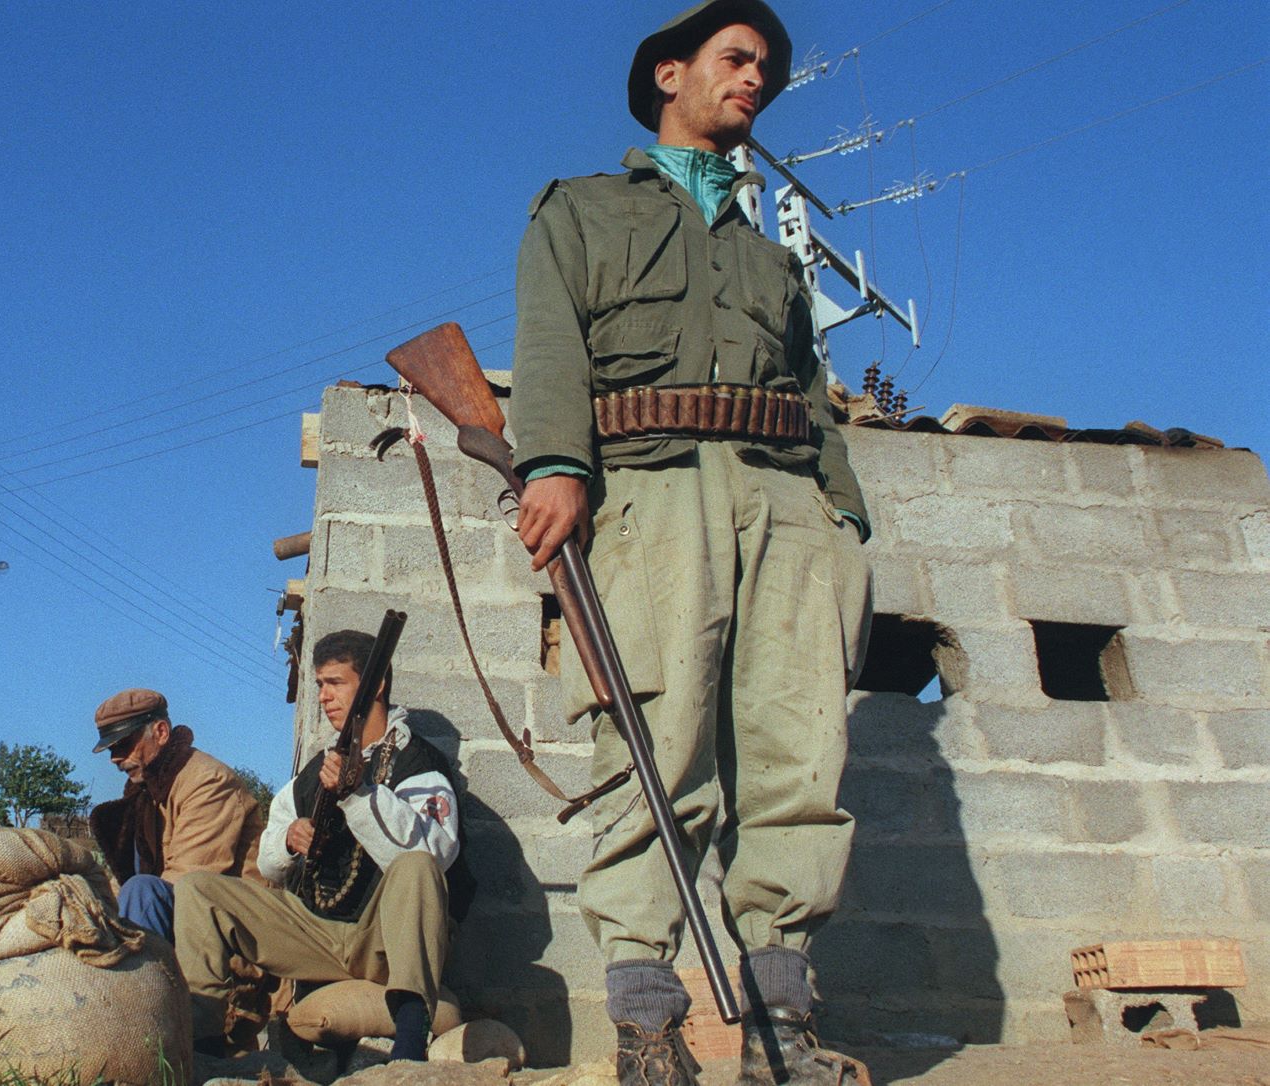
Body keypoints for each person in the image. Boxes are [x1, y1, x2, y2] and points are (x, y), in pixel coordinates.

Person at [509, 2, 873, 1084]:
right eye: (735, 58)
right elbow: (550, 341)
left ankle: (783, 1027)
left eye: (766, 68)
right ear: (670, 74)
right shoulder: (581, 209)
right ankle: (645, 1026)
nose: (755, 78)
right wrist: (555, 464)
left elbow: (811, 395)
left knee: (797, 753)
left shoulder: (770, 260)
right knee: (652, 748)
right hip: (651, 494)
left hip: (785, 502)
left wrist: (843, 516)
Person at [175, 629, 463, 1063]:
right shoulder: (314, 771)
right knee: (198, 890)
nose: (324, 697)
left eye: (336, 683)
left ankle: (409, 1044)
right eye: (320, 684)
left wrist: (359, 795)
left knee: (416, 866)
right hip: (318, 936)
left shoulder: (417, 763)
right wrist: (290, 840)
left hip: (382, 943)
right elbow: (270, 862)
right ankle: (204, 1044)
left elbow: (437, 853)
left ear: (376, 685)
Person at [87, 687, 264, 942]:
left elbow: (188, 882)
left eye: (124, 744)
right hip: (187, 920)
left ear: (161, 732)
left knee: (140, 892)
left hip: (240, 934)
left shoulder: (208, 782)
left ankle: (145, 968)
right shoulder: (145, 794)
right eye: (110, 750)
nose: (115, 758)